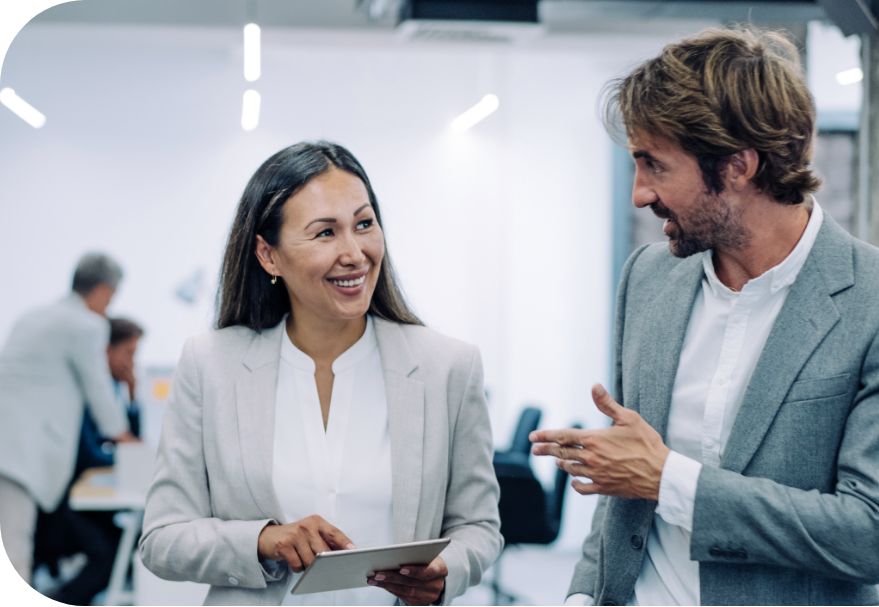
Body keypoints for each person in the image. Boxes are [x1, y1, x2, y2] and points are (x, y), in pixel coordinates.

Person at [530, 27, 879, 605]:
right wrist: (582, 597)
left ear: (737, 166)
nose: (639, 194)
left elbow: (872, 534)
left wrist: (670, 480)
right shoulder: (647, 278)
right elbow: (623, 496)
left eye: (654, 165)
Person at [139, 141, 502, 605]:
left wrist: (447, 571)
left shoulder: (448, 367)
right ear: (269, 256)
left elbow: (479, 527)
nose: (354, 253)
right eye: (325, 233)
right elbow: (162, 539)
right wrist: (264, 541)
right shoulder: (211, 365)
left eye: (364, 224)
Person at [0, 253, 138, 584]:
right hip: (19, 457)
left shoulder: (34, 317)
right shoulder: (86, 325)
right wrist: (126, 438)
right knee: (16, 558)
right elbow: (99, 390)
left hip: (9, 447)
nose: (108, 308)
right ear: (103, 290)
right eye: (111, 298)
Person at [33, 317, 146, 605]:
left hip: (84, 504)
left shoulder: (110, 393)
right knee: (108, 555)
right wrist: (125, 452)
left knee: (132, 542)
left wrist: (133, 397)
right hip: (63, 506)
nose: (131, 363)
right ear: (106, 351)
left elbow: (129, 443)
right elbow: (89, 455)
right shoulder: (83, 396)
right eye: (129, 353)